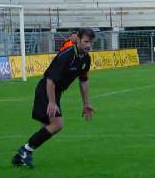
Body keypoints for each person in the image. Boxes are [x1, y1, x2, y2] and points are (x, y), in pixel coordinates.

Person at [12, 28, 96, 168]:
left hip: (55, 92)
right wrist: (52, 102)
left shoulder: (86, 59)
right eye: (86, 41)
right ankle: (25, 151)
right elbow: (50, 80)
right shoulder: (67, 56)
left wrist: (86, 103)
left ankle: (20, 156)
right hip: (46, 89)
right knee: (57, 124)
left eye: (91, 43)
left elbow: (83, 81)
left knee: (47, 128)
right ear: (78, 40)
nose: (88, 45)